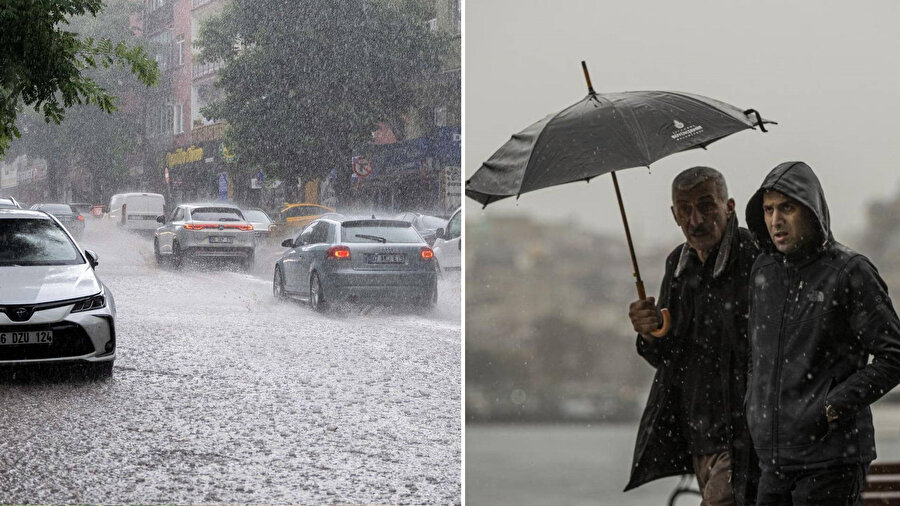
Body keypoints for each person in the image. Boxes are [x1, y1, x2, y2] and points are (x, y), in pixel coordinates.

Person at [744, 161, 900, 505]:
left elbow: (895, 355)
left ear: (811, 209)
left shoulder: (848, 271)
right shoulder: (764, 272)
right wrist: (754, 407)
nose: (775, 220)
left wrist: (831, 407)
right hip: (773, 460)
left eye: (787, 207)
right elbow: (757, 354)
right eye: (768, 209)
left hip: (831, 459)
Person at [625, 167, 760, 506]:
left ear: (728, 207)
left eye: (706, 206)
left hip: (744, 432)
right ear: (674, 215)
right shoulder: (678, 265)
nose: (695, 219)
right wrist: (651, 330)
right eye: (684, 209)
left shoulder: (753, 255)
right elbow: (666, 356)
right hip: (698, 433)